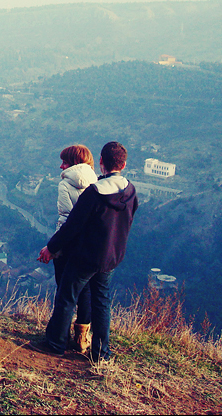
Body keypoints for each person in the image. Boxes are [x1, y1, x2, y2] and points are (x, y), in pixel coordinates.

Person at [32, 141, 138, 361]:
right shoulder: (130, 190)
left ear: (101, 162)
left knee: (67, 297)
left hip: (87, 255)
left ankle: (55, 344)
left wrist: (50, 248)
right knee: (101, 301)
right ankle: (101, 353)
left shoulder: (94, 193)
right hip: (112, 257)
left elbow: (72, 225)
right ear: (124, 165)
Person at [41, 144, 97, 354]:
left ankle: (58, 338)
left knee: (65, 292)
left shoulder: (65, 184)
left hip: (68, 245)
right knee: (85, 292)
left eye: (64, 162)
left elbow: (66, 217)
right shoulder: (96, 181)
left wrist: (55, 247)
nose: (61, 166)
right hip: (89, 245)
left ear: (73, 163)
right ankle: (82, 338)